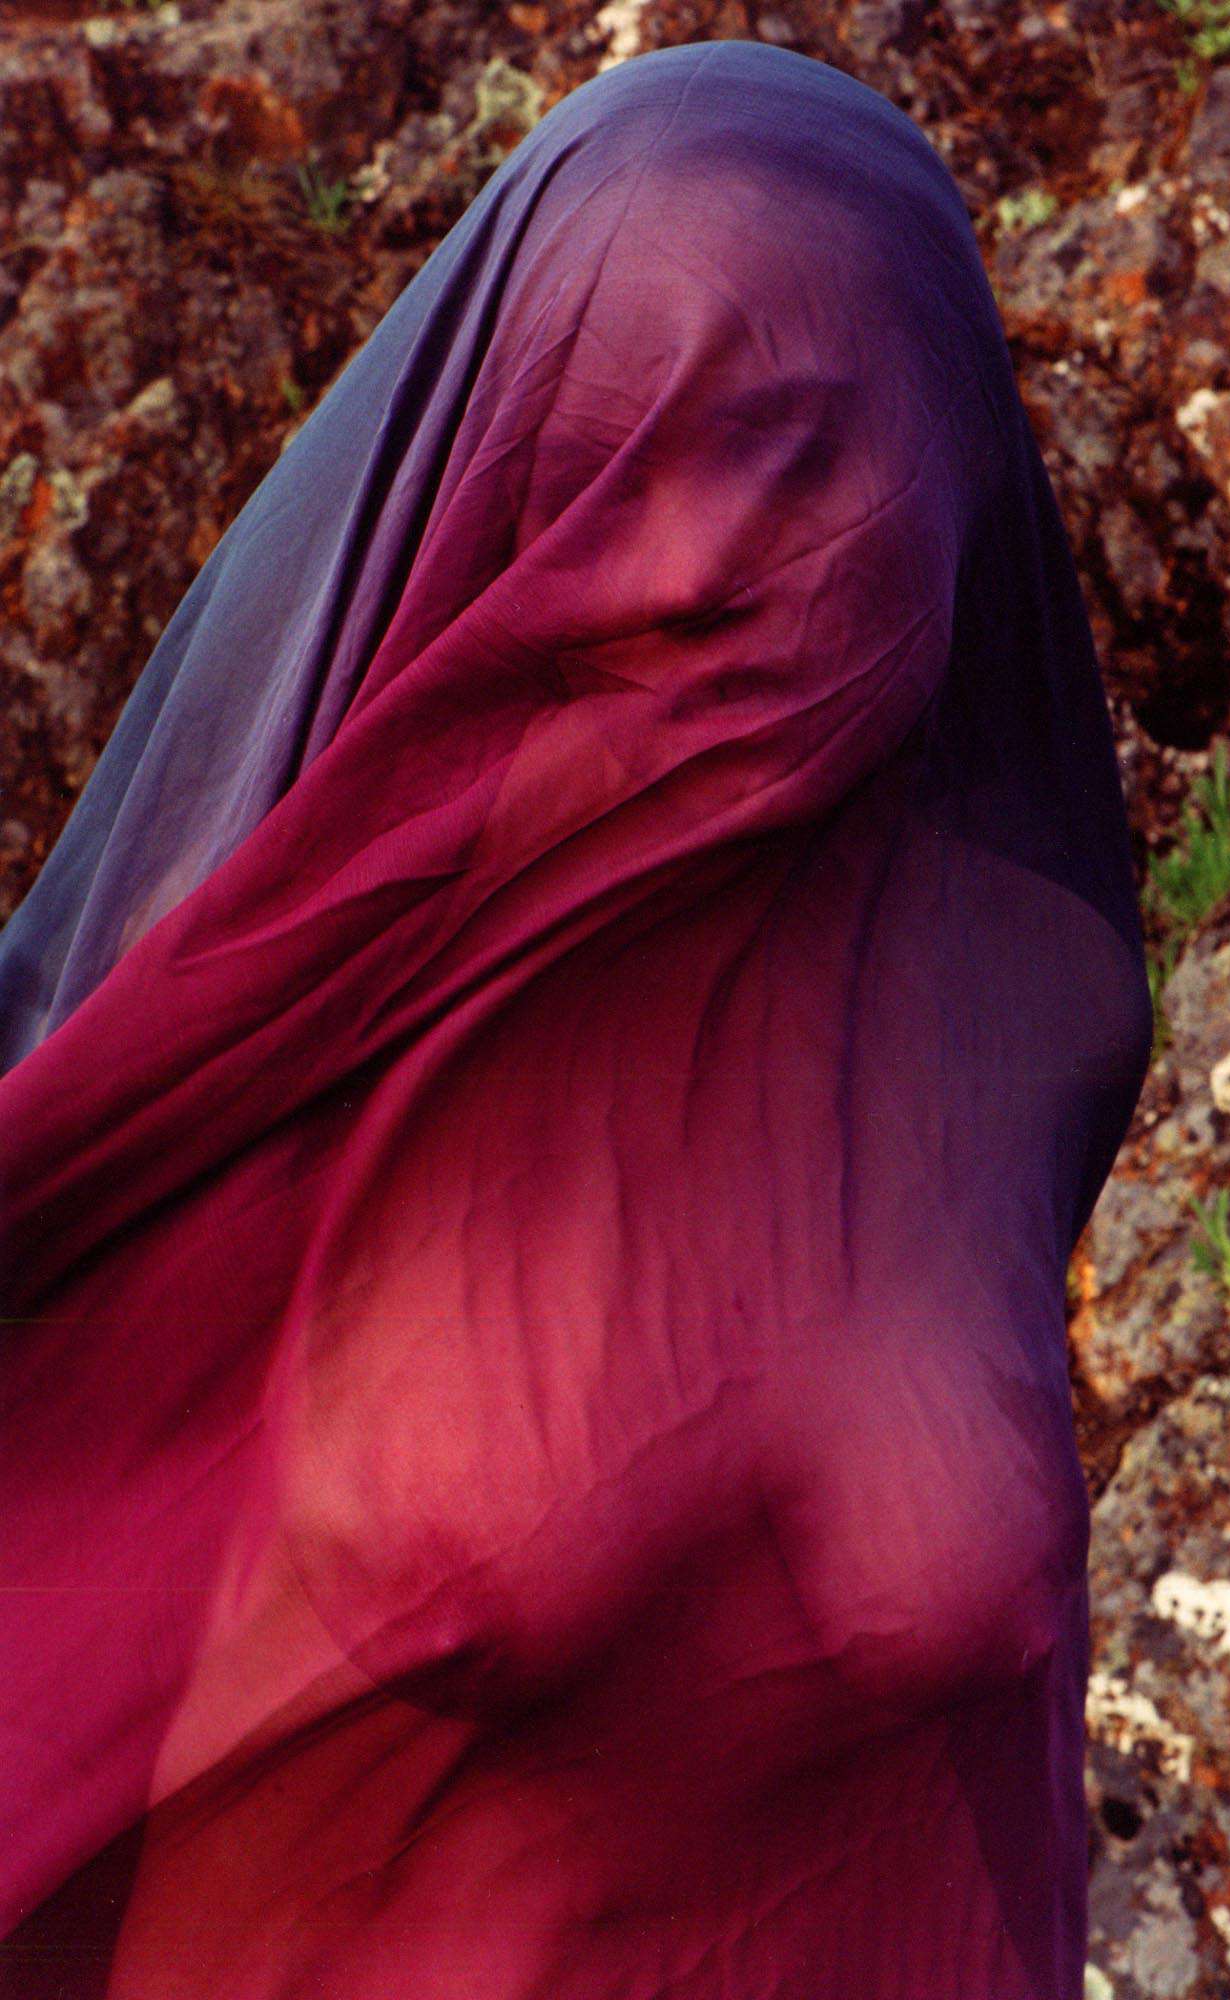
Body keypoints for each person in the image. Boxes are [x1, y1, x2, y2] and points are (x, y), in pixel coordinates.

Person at [0, 36, 1154, 1999]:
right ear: (540, 439)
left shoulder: (1018, 999)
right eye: (663, 439)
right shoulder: (293, 969)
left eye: (809, 453)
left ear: (945, 458)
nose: (718, 554)